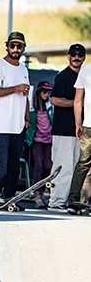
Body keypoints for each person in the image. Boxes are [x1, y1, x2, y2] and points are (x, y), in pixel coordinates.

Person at [0, 31, 30, 211]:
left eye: (19, 46)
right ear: (7, 46)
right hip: (2, 123)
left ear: (24, 48)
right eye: (13, 46)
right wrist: (15, 88)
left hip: (19, 125)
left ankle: (7, 196)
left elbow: (25, 96)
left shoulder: (23, 69)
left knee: (13, 164)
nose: (16, 49)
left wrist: (26, 117)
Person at [47, 43, 86, 210]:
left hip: (79, 131)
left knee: (77, 167)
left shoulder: (84, 76)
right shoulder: (64, 76)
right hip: (63, 130)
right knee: (63, 167)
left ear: (84, 57)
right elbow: (54, 100)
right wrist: (77, 103)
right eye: (73, 54)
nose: (76, 57)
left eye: (80, 54)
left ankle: (70, 201)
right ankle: (56, 202)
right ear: (68, 56)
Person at [67, 59, 91, 212]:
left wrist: (78, 123)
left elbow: (77, 100)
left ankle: (73, 200)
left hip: (89, 125)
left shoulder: (86, 70)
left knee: (83, 163)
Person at [26, 81, 54, 208]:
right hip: (37, 140)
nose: (46, 94)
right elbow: (30, 123)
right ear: (38, 92)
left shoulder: (50, 105)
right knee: (38, 165)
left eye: (48, 92)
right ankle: (37, 193)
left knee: (48, 166)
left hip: (49, 140)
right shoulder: (33, 106)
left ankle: (44, 191)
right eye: (44, 91)